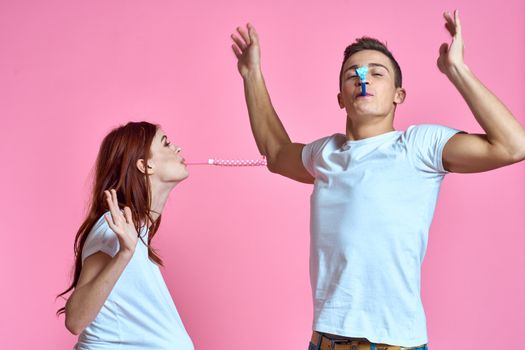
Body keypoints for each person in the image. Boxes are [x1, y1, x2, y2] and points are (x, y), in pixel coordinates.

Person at [230, 10, 525, 350]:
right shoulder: (327, 153)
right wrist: (251, 73)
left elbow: (512, 146)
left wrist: (457, 70)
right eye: (351, 74)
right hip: (326, 341)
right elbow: (276, 151)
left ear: (399, 94)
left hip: (396, 343)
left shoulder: (418, 146)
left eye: (376, 72)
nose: (362, 77)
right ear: (341, 98)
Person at [57, 121, 194, 350]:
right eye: (166, 143)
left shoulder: (134, 229)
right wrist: (124, 254)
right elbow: (75, 320)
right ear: (145, 165)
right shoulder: (112, 227)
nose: (178, 148)